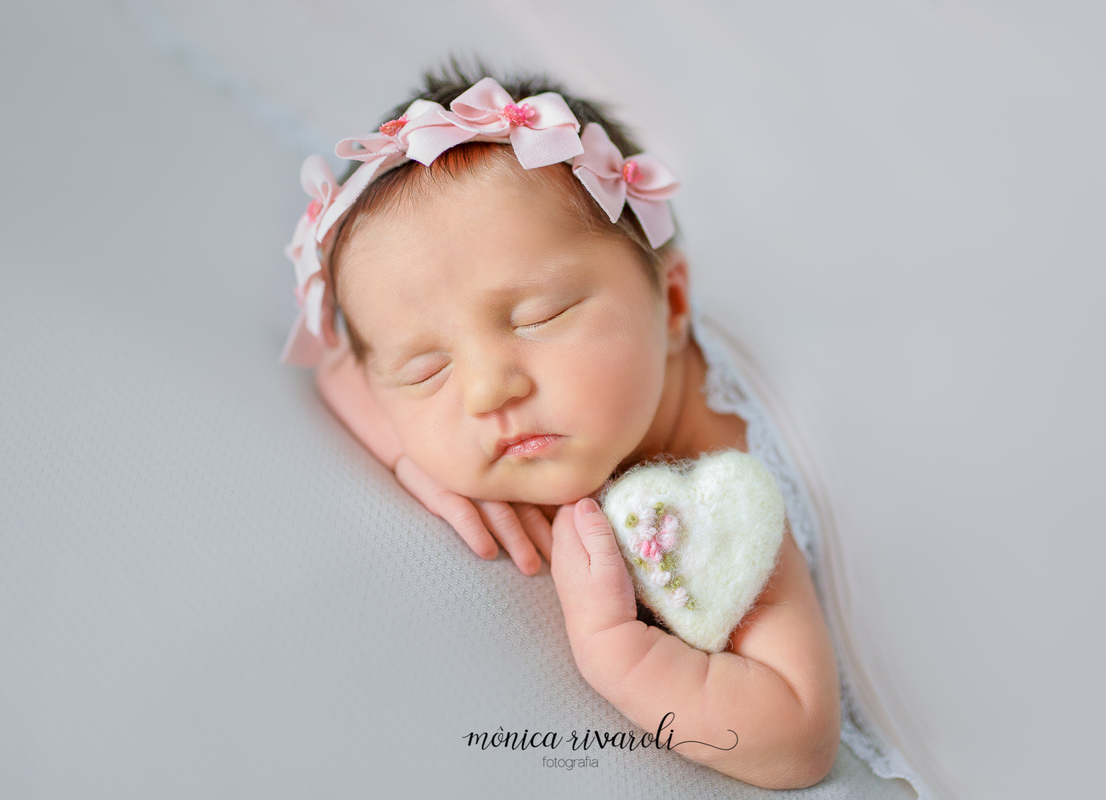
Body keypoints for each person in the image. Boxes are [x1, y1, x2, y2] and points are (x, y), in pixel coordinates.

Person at [282, 62, 849, 790]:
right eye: (426, 369)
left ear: (672, 308)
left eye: (539, 318)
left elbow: (798, 733)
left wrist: (618, 649)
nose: (488, 390)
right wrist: (409, 457)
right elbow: (339, 363)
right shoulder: (428, 370)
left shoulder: (726, 478)